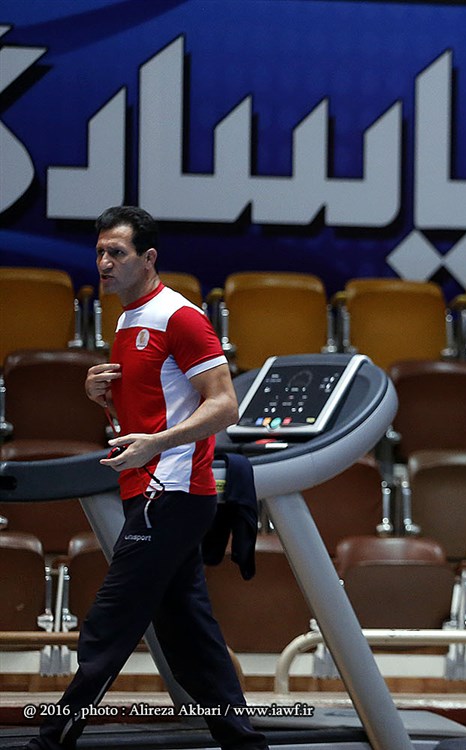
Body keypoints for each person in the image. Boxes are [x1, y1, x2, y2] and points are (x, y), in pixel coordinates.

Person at [27, 207, 268, 750]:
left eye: (117, 253)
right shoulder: (125, 320)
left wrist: (157, 445)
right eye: (99, 252)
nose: (104, 263)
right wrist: (103, 397)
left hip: (172, 491)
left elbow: (225, 406)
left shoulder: (179, 316)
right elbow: (153, 411)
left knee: (110, 623)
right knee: (191, 638)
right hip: (152, 489)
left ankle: (51, 740)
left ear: (148, 258)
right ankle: (244, 743)